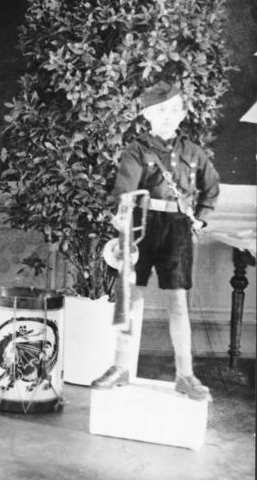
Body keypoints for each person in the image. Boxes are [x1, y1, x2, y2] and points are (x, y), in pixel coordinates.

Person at [91, 81, 219, 401]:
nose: (166, 117)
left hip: (176, 228)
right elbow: (125, 188)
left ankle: (185, 375)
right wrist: (122, 212)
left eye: (172, 110)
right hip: (141, 225)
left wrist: (201, 215)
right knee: (130, 299)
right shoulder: (137, 149)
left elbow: (211, 185)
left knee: (178, 302)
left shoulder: (192, 151)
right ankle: (119, 367)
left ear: (182, 113)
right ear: (146, 115)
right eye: (158, 111)